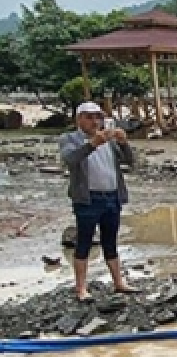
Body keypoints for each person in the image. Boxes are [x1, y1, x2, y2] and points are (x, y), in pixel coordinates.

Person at [58, 101, 140, 302]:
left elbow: (130, 161)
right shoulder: (69, 139)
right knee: (84, 242)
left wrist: (123, 142)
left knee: (110, 241)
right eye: (89, 117)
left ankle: (119, 282)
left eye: (98, 117)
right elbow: (70, 160)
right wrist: (92, 144)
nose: (95, 121)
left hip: (112, 196)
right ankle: (81, 288)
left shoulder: (109, 139)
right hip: (88, 199)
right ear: (79, 119)